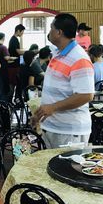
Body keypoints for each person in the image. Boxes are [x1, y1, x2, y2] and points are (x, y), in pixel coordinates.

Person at [31, 14, 94, 148]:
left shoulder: (79, 58)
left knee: (66, 163)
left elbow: (86, 95)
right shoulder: (57, 53)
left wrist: (53, 107)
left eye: (51, 28)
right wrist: (39, 115)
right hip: (53, 127)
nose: (49, 32)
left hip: (69, 131)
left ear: (59, 32)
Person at [7, 24, 26, 90]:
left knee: (14, 83)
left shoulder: (14, 39)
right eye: (22, 32)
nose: (22, 34)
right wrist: (28, 52)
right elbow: (18, 52)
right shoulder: (14, 40)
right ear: (18, 31)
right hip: (13, 65)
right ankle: (10, 96)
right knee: (13, 83)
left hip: (14, 65)